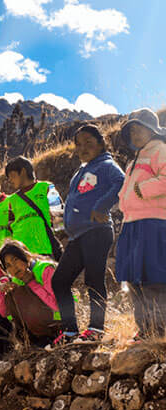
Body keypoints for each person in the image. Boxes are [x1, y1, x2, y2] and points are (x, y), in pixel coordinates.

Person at [50, 125, 125, 344]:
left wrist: (102, 206)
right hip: (77, 236)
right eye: (79, 145)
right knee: (59, 281)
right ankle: (70, 331)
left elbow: (120, 183)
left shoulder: (106, 165)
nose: (83, 148)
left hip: (97, 231)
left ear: (101, 144)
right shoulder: (81, 171)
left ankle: (96, 329)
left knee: (94, 278)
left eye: (89, 143)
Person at [114, 109, 166, 341]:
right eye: (131, 131)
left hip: (153, 222)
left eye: (138, 128)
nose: (134, 134)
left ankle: (160, 330)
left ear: (151, 129)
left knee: (153, 275)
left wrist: (139, 190)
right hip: (131, 223)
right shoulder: (134, 159)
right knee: (133, 278)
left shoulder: (160, 150)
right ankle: (144, 329)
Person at [0, 240, 61, 346]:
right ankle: (31, 340)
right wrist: (0, 292)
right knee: (10, 295)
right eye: (8, 265)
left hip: (60, 320)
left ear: (27, 256)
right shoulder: (16, 280)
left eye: (15, 260)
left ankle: (46, 337)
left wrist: (32, 283)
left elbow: (57, 306)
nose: (14, 267)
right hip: (37, 327)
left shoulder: (45, 269)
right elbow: (5, 313)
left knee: (19, 293)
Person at [3, 156, 64, 258]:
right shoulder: (11, 200)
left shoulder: (47, 188)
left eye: (12, 176)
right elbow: (9, 226)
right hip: (22, 254)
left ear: (22, 172)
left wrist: (60, 239)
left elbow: (60, 213)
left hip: (45, 249)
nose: (10, 180)